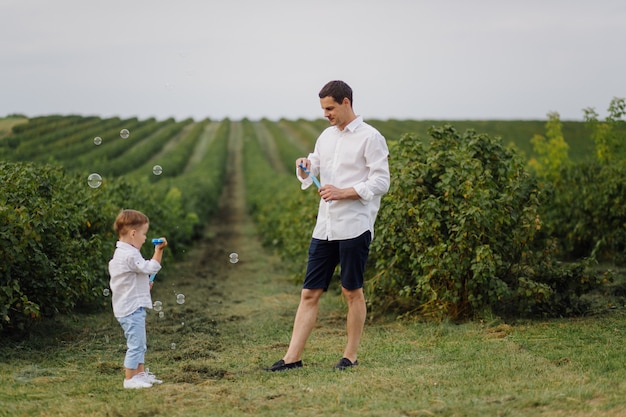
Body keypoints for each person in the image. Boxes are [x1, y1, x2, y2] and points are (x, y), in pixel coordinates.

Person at [266, 80, 390, 371]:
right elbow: (311, 171)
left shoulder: (371, 137)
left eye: (330, 108)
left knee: (351, 291)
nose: (326, 114)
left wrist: (343, 192)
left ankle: (350, 356)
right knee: (309, 292)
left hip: (355, 226)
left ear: (346, 102)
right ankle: (292, 358)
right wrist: (303, 167)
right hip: (325, 227)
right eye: (323, 108)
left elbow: (382, 181)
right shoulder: (325, 136)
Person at [108, 209, 168, 389]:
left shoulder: (123, 253)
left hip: (130, 305)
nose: (144, 238)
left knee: (140, 343)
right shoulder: (130, 254)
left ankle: (140, 375)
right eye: (144, 234)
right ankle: (129, 379)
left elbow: (132, 277)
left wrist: (144, 284)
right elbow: (151, 267)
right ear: (133, 234)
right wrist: (159, 250)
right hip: (131, 308)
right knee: (136, 344)